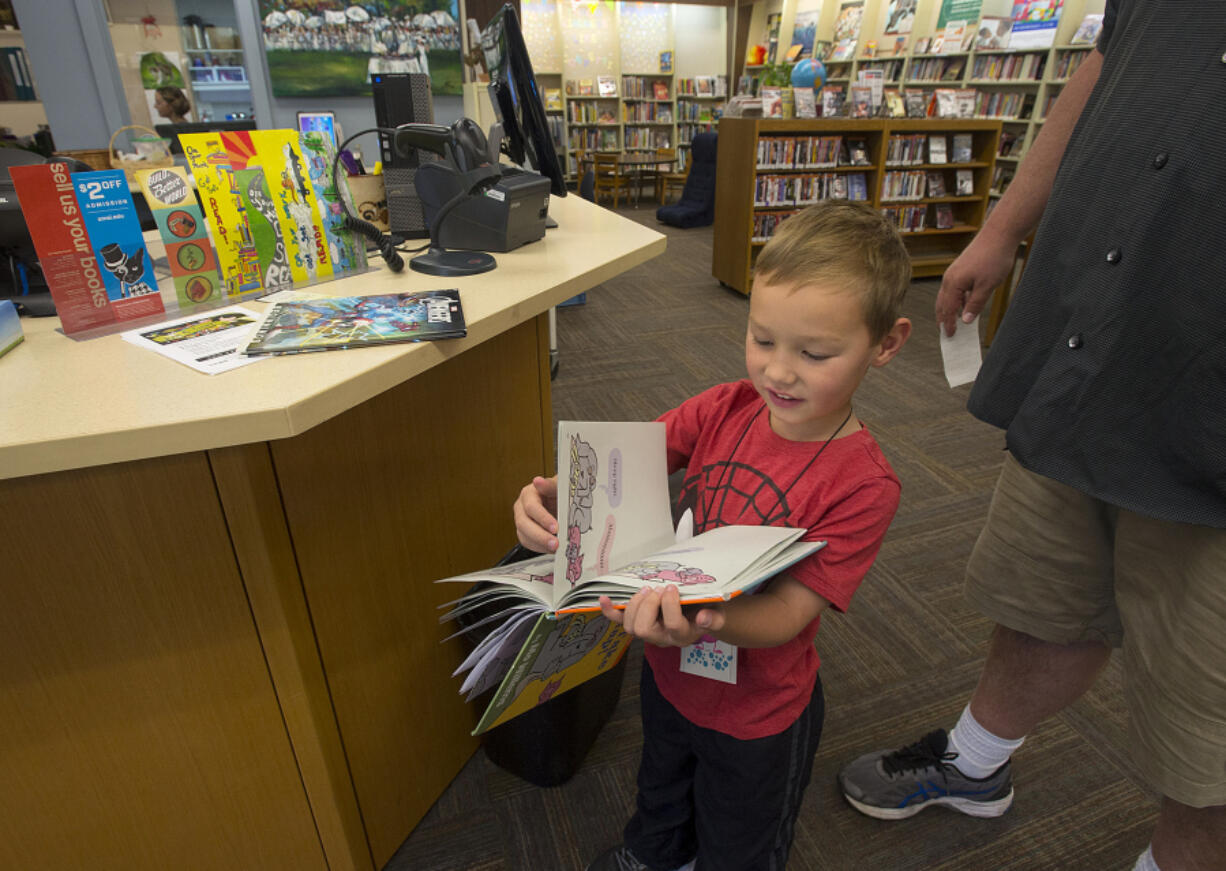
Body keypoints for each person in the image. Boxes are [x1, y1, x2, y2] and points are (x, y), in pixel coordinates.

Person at [837, 2, 1226, 870]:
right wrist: (1005, 223)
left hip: (1211, 404)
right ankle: (975, 763)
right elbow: (1108, 64)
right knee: (1042, 589)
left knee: (1211, 722)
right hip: (1093, 338)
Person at [514, 200, 913, 871]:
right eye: (762, 338)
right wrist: (554, 496)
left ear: (887, 344)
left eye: (814, 353)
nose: (779, 372)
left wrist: (708, 619)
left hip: (761, 710)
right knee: (661, 783)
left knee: (741, 833)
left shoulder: (864, 483)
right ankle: (653, 852)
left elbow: (789, 612)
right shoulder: (726, 406)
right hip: (668, 670)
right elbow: (626, 466)